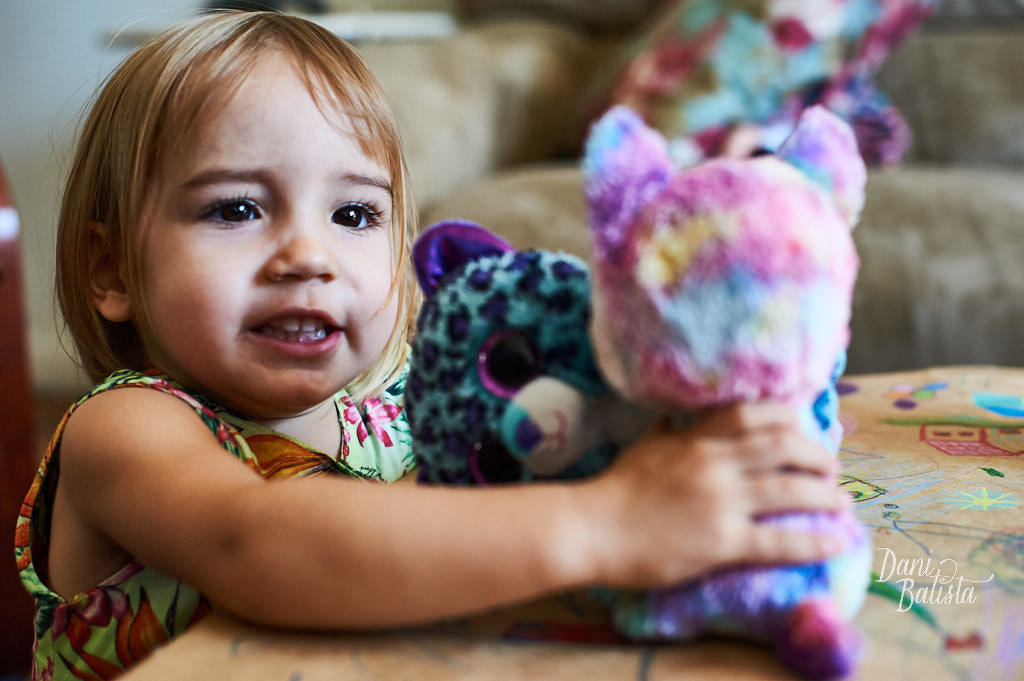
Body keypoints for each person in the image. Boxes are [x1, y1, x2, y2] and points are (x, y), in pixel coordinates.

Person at [15, 11, 851, 680]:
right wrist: (608, 520)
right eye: (235, 209)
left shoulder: (400, 406)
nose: (307, 255)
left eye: (353, 215)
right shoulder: (123, 429)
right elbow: (258, 544)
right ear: (112, 267)